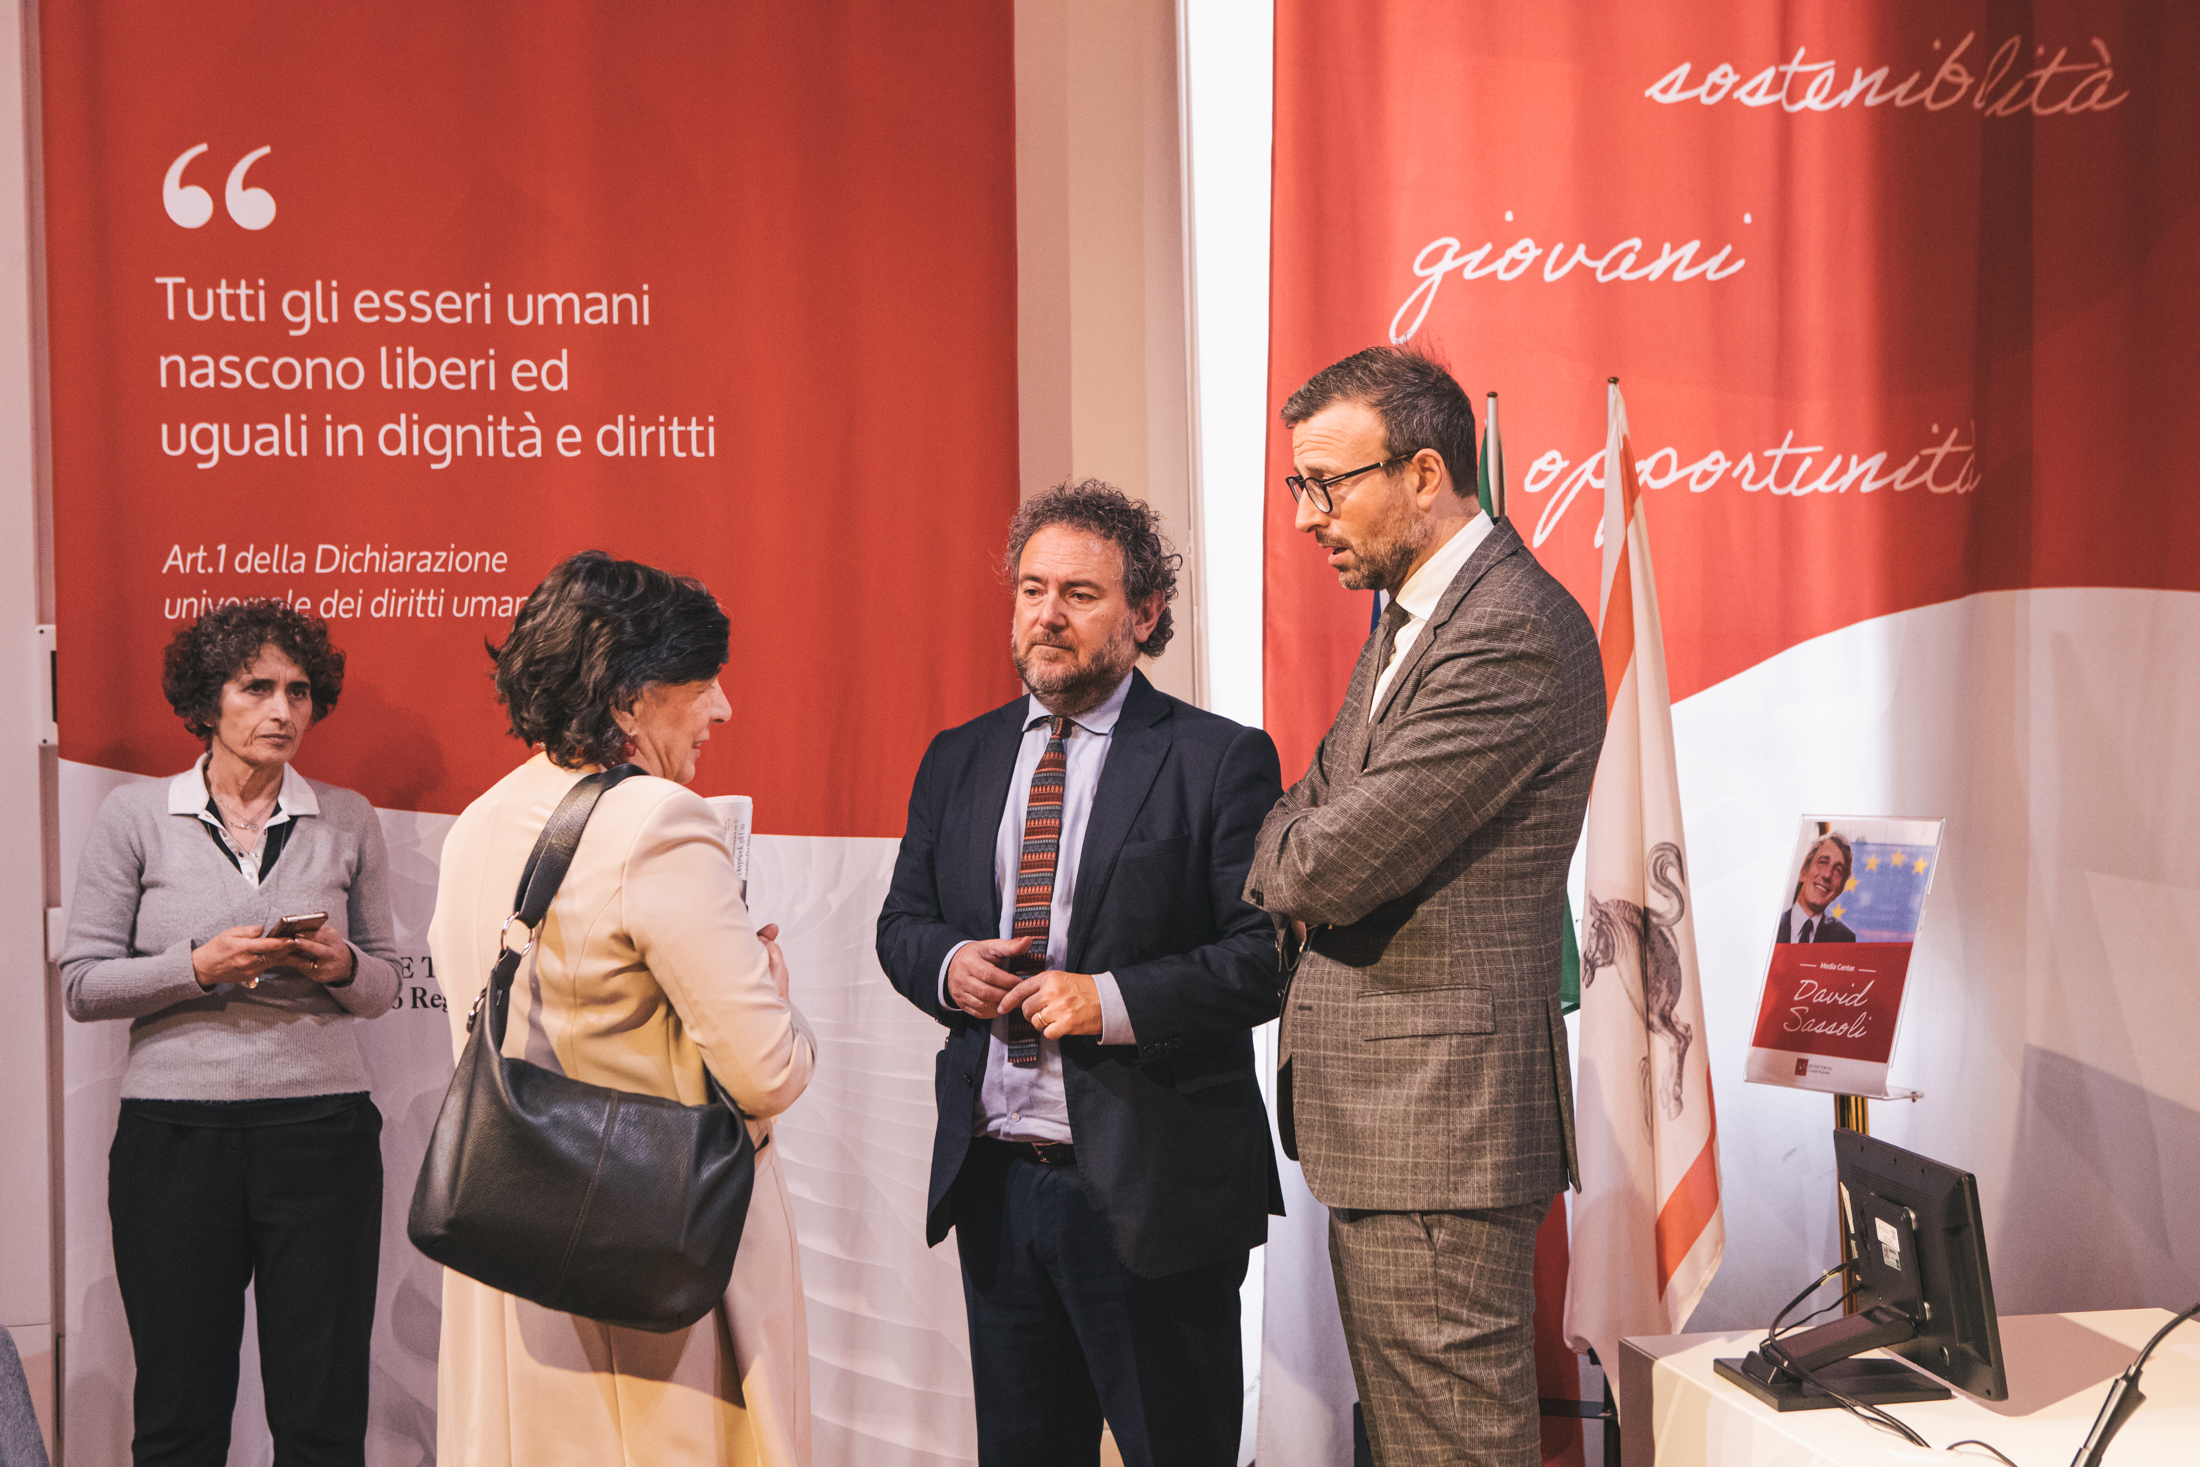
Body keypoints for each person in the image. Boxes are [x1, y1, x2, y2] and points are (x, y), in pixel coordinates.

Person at [1243, 346, 1604, 1466]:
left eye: (1326, 484)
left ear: (1424, 473)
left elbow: (1320, 862)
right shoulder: (1413, 617)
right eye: (1299, 484)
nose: (1305, 516)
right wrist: (1294, 842)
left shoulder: (1509, 628)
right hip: (1402, 1132)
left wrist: (1291, 851)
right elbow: (1304, 807)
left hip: (1440, 1130)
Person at [876, 481, 1286, 1466]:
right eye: (1031, 589)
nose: (1047, 615)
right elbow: (902, 924)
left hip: (1155, 1191)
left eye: (1080, 594)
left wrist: (1109, 1001)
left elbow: (1262, 956)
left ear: (1145, 615)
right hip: (997, 1185)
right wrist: (949, 967)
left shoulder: (1218, 759)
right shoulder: (957, 757)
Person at [428, 551, 816, 1467]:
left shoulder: (478, 821)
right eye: (703, 681)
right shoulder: (660, 821)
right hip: (642, 1269)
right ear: (631, 699)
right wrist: (774, 987)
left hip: (513, 1251)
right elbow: (768, 1071)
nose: (723, 707)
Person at [60, 602, 400, 1467]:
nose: (284, 709)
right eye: (257, 687)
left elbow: (386, 981)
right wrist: (198, 966)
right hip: (175, 1140)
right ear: (207, 700)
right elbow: (82, 984)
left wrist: (342, 965)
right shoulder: (135, 816)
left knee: (323, 1418)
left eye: (299, 690)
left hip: (323, 1136)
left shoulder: (349, 817)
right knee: (180, 1414)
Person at [1776, 833, 1856, 943]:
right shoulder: (1771, 924)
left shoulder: (1844, 939)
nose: (1827, 874)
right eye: (1823, 862)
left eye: (1837, 870)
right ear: (1803, 872)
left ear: (1839, 890)